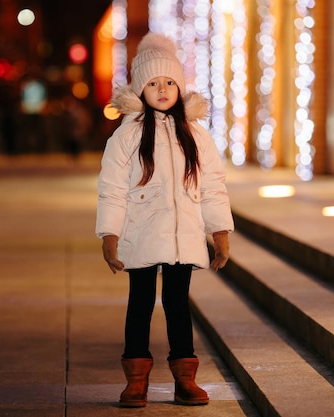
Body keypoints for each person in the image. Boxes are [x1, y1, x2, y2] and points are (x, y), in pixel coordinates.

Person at [95, 32, 234, 408]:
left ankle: (185, 379)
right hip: (141, 233)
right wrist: (110, 234)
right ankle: (136, 381)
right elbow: (112, 188)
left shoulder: (196, 135)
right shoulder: (127, 136)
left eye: (169, 82)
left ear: (179, 87)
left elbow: (212, 187)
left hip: (182, 236)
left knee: (177, 303)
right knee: (139, 302)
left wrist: (219, 232)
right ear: (140, 89)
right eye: (153, 83)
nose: (162, 89)